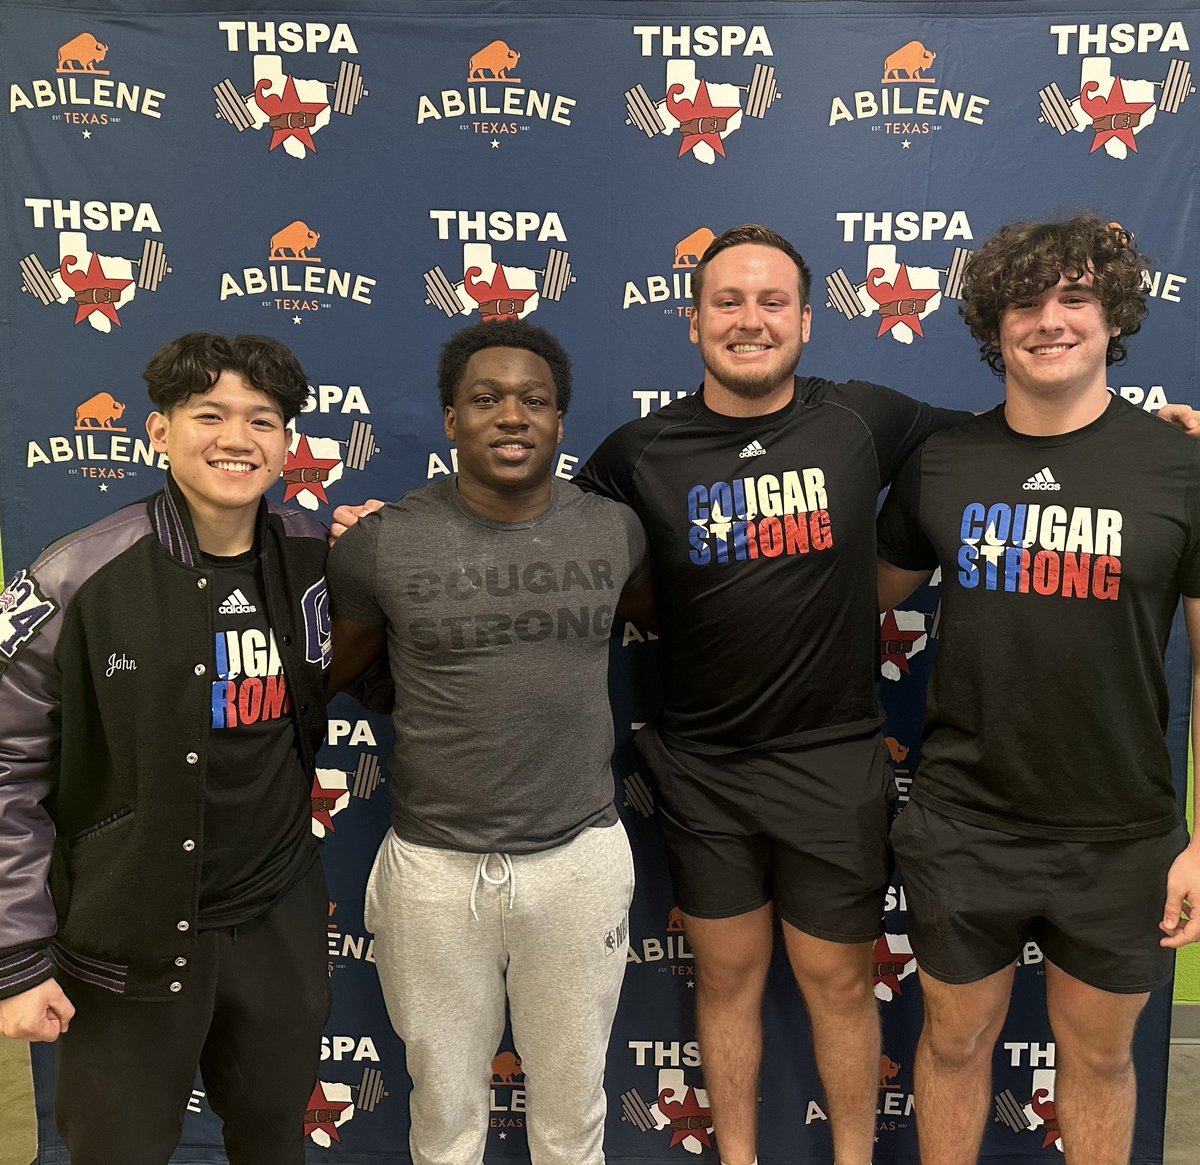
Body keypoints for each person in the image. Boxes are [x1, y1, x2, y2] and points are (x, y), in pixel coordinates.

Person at [332, 227, 1200, 1165]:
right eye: (729, 302)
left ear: (806, 319)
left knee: (839, 981)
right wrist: (382, 537)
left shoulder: (868, 417)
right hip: (701, 764)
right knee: (728, 977)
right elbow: (532, 520)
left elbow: (1027, 431)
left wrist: (1160, 434)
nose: (751, 321)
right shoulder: (637, 451)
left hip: (835, 758)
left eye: (773, 302)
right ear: (694, 318)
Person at [875, 215, 1200, 1165]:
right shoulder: (943, 459)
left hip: (1121, 830)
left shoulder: (1179, 464)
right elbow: (846, 599)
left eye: (1075, 298)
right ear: (993, 325)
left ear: (1113, 320)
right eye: (1025, 302)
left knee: (1098, 1061)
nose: (1049, 320)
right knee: (953, 1040)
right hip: (965, 823)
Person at [0, 333, 333, 1165]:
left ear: (287, 443)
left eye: (262, 420)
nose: (236, 438)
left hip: (275, 923)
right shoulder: (74, 576)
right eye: (209, 414)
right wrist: (15, 953)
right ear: (158, 431)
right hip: (127, 936)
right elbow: (8, 767)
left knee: (273, 1145)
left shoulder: (314, 556)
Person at [326, 319, 650, 1165]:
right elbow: (329, 677)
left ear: (559, 421)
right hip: (433, 870)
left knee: (573, 1108)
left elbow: (699, 631)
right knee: (443, 1109)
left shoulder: (616, 531)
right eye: (486, 398)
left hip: (577, 858)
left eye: (533, 399)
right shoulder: (381, 542)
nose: (512, 415)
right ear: (449, 420)